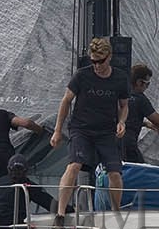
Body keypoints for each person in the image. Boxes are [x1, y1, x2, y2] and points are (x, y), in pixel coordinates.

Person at [51, 37, 129, 217]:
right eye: (93, 62)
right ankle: (61, 213)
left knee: (115, 173)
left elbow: (124, 105)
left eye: (100, 62)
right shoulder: (82, 75)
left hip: (106, 131)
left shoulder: (119, 78)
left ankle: (116, 212)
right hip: (81, 128)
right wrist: (57, 130)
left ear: (109, 57)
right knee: (74, 165)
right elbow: (66, 101)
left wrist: (122, 121)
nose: (97, 66)